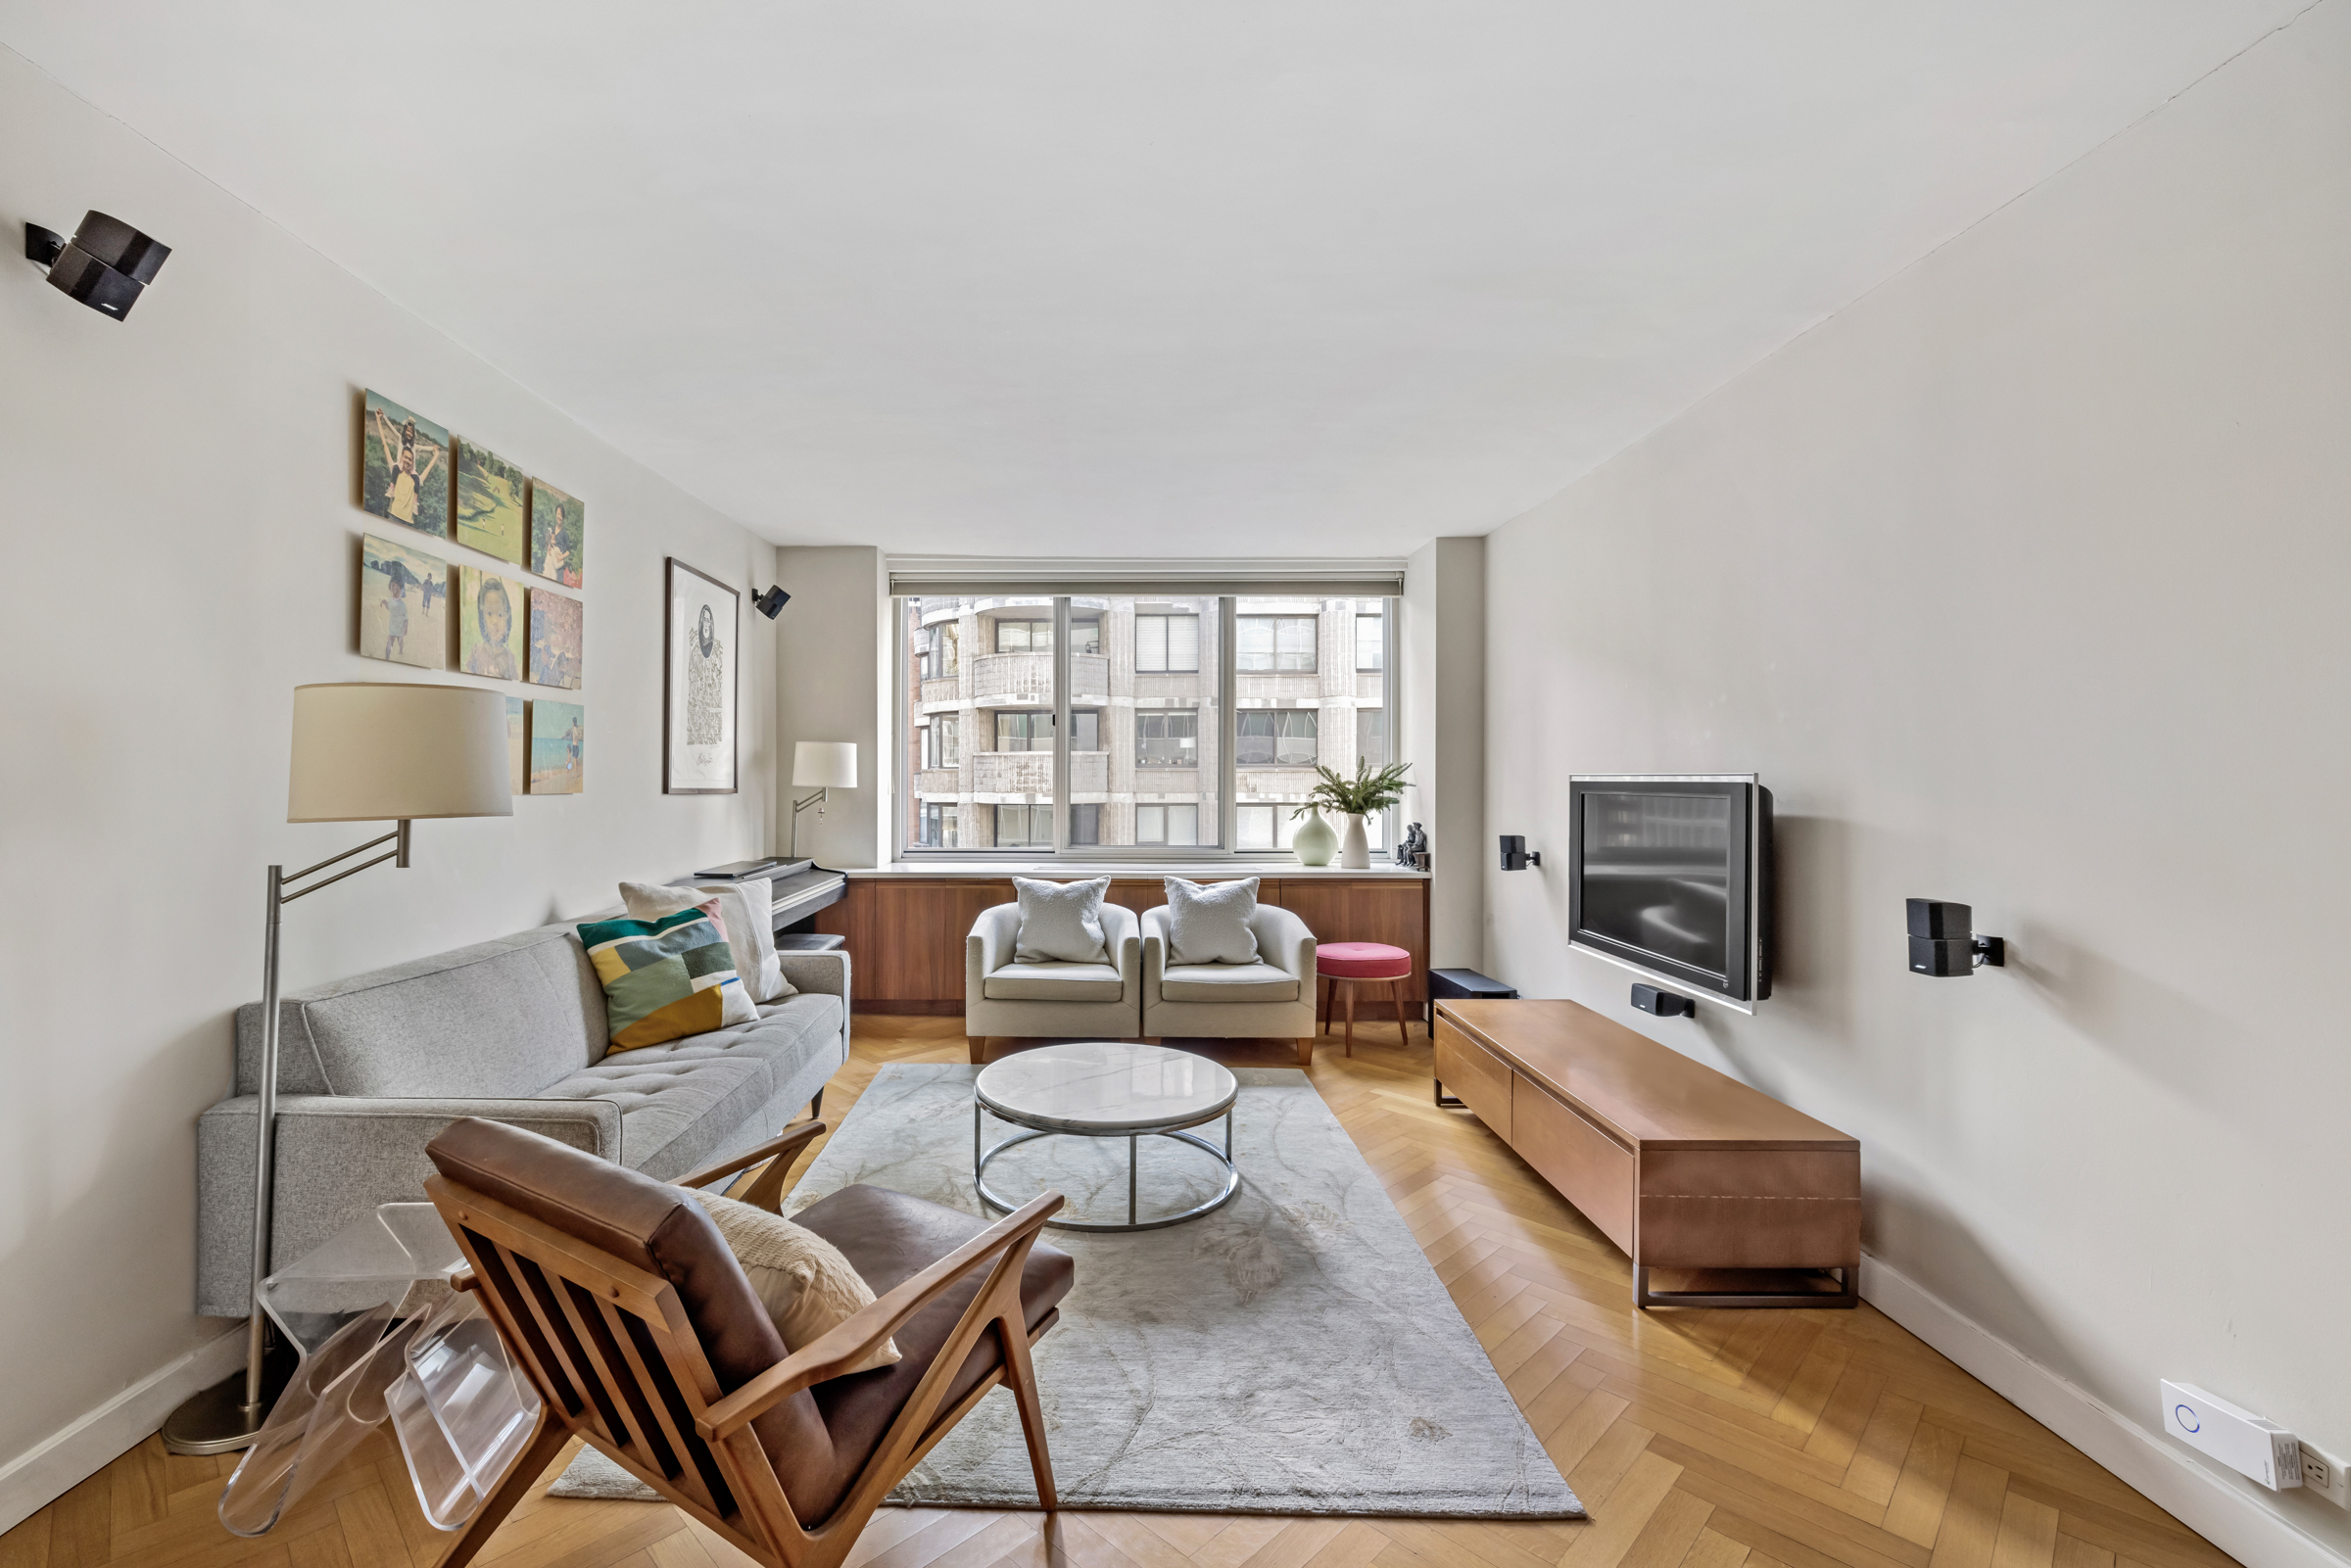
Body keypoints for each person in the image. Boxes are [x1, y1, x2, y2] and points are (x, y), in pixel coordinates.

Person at [372, 408, 442, 529]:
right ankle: (391, 488)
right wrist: (381, 418)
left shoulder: (415, 475)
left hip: (408, 522)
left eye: (410, 459)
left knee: (417, 482)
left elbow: (426, 453)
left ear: (413, 460)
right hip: (393, 515)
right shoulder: (396, 466)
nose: (409, 433)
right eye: (408, 431)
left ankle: (415, 502)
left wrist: (434, 451)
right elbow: (386, 439)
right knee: (395, 468)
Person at [466, 578, 520, 680]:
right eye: (489, 614)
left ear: (508, 618)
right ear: (482, 617)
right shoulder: (476, 652)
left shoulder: (509, 659)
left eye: (500, 614)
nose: (495, 621)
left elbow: (514, 689)